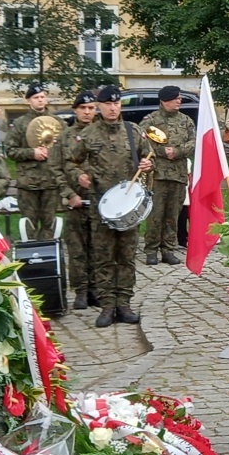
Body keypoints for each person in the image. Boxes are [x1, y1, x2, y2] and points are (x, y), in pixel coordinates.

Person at [65, 86, 155, 328]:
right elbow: (70, 162)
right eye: (107, 104)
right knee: (103, 257)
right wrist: (79, 176)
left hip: (128, 205)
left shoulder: (133, 131)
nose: (113, 108)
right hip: (100, 206)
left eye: (116, 103)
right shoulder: (89, 134)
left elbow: (149, 157)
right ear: (100, 106)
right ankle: (106, 306)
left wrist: (147, 166)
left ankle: (124, 304)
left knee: (126, 257)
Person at [139, 86, 195, 266]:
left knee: (173, 214)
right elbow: (142, 142)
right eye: (175, 98)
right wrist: (163, 151)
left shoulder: (186, 121)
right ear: (164, 101)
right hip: (158, 175)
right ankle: (151, 250)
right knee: (156, 214)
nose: (179, 101)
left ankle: (168, 249)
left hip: (178, 174)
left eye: (179, 98)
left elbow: (193, 142)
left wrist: (177, 151)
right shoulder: (151, 120)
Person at [58, 91, 100, 310]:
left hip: (99, 200)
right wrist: (69, 194)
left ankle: (96, 289)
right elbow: (56, 169)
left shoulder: (101, 133)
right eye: (83, 108)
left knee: (98, 247)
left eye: (91, 108)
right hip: (75, 201)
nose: (87, 112)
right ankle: (81, 290)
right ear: (75, 110)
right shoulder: (65, 137)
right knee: (77, 249)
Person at [4, 84, 63, 240]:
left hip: (51, 181)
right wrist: (32, 153)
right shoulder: (20, 124)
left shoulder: (57, 122)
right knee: (29, 225)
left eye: (42, 97)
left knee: (50, 225)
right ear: (28, 100)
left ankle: (48, 252)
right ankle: (30, 253)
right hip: (28, 184)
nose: (40, 100)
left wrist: (53, 151)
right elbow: (10, 150)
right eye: (36, 97)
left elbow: (66, 149)